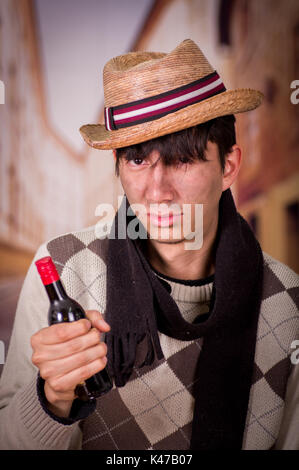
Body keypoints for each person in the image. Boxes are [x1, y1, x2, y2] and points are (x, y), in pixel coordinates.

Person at [0, 39, 298, 451]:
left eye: (182, 159)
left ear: (228, 166)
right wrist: (51, 400)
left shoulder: (290, 302)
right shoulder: (62, 269)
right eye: (137, 159)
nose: (157, 191)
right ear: (119, 166)